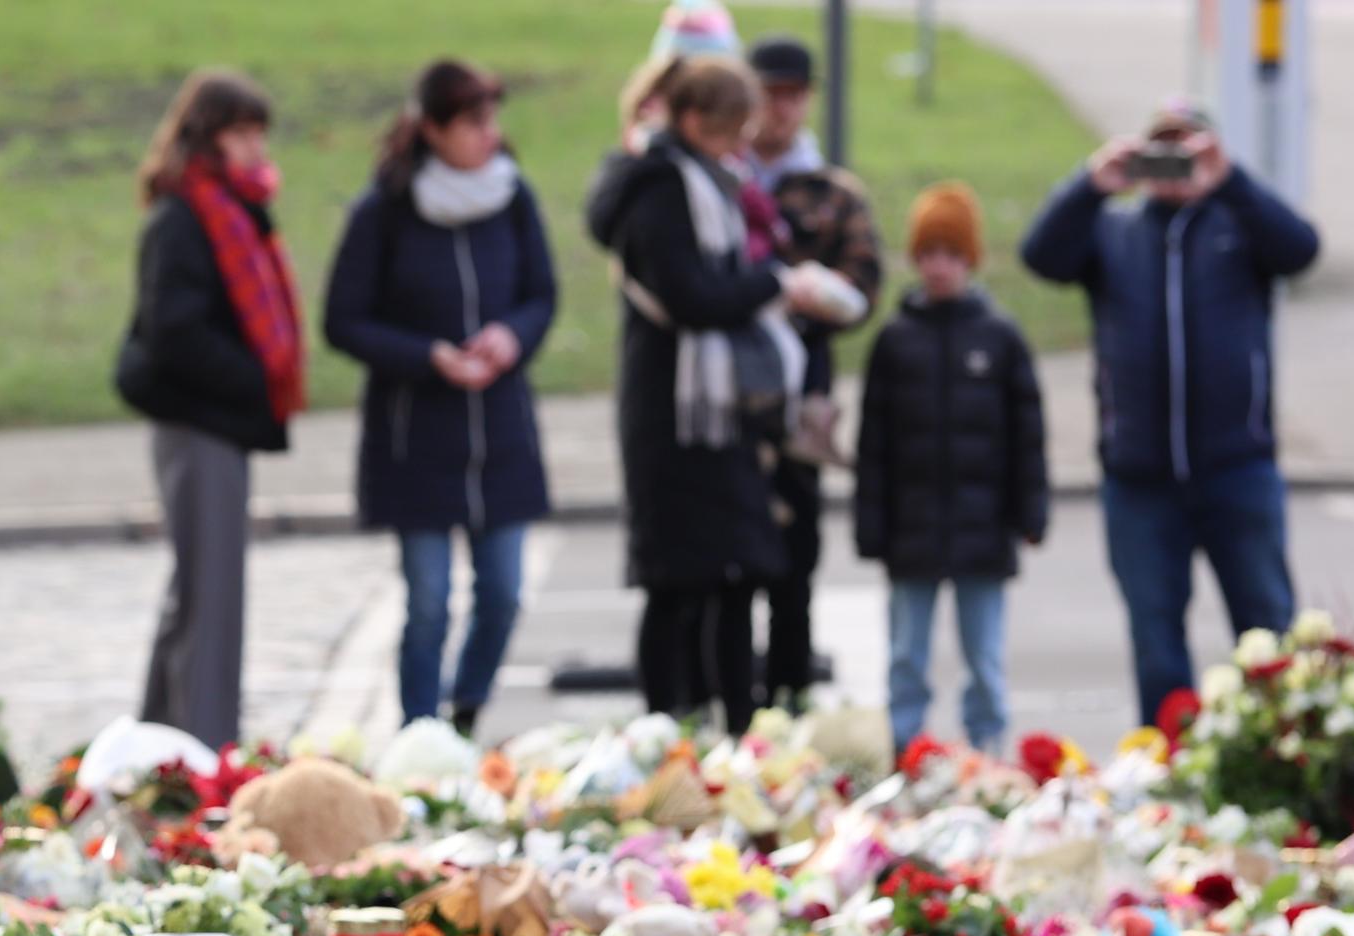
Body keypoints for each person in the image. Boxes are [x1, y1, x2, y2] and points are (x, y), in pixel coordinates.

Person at [1020, 100, 1321, 726]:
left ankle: (1278, 763)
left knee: (1267, 636)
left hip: (1237, 469)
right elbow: (1041, 256)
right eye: (1161, 149)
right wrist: (1091, 185)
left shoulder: (1238, 225)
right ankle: (1174, 784)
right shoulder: (1115, 231)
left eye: (1186, 148)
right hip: (1140, 481)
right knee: (1157, 645)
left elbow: (1301, 251)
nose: (1173, 163)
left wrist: (1229, 179)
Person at [596, 59, 849, 726]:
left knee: (734, 575)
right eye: (732, 132)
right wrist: (772, 284)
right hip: (676, 412)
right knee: (678, 582)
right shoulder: (660, 186)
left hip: (721, 407)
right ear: (691, 123)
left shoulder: (710, 179)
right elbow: (693, 295)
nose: (742, 147)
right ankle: (673, 725)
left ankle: (736, 729)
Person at [323, 59, 555, 729]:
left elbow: (541, 293)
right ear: (431, 129)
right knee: (428, 601)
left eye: (491, 119)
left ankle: (465, 712)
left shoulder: (513, 197)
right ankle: (418, 732)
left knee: (504, 593)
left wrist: (511, 337)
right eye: (471, 122)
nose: (489, 135)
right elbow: (344, 319)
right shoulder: (385, 211)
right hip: (416, 435)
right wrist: (428, 358)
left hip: (500, 431)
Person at [116, 70, 303, 749]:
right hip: (196, 421)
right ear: (208, 136)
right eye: (242, 133)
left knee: (200, 589)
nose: (256, 148)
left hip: (220, 420)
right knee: (209, 594)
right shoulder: (184, 216)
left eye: (259, 133)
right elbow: (174, 332)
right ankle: (200, 745)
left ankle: (162, 739)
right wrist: (254, 377)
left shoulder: (230, 208)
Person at [853, 183, 1047, 755]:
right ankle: (906, 747)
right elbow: (874, 445)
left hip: (982, 528)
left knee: (983, 655)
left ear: (970, 259)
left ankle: (986, 748)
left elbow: (1026, 437)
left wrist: (1029, 512)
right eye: (929, 254)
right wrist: (871, 525)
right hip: (912, 529)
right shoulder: (895, 340)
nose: (939, 267)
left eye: (951, 254)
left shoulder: (999, 338)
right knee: (907, 653)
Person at [738, 37, 879, 712]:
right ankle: (729, 705)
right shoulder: (723, 177)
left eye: (794, 94)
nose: (781, 109)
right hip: (730, 394)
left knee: (796, 555)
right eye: (770, 93)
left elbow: (865, 283)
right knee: (728, 558)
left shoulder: (831, 189)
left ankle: (790, 696)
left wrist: (813, 292)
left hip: (801, 397)